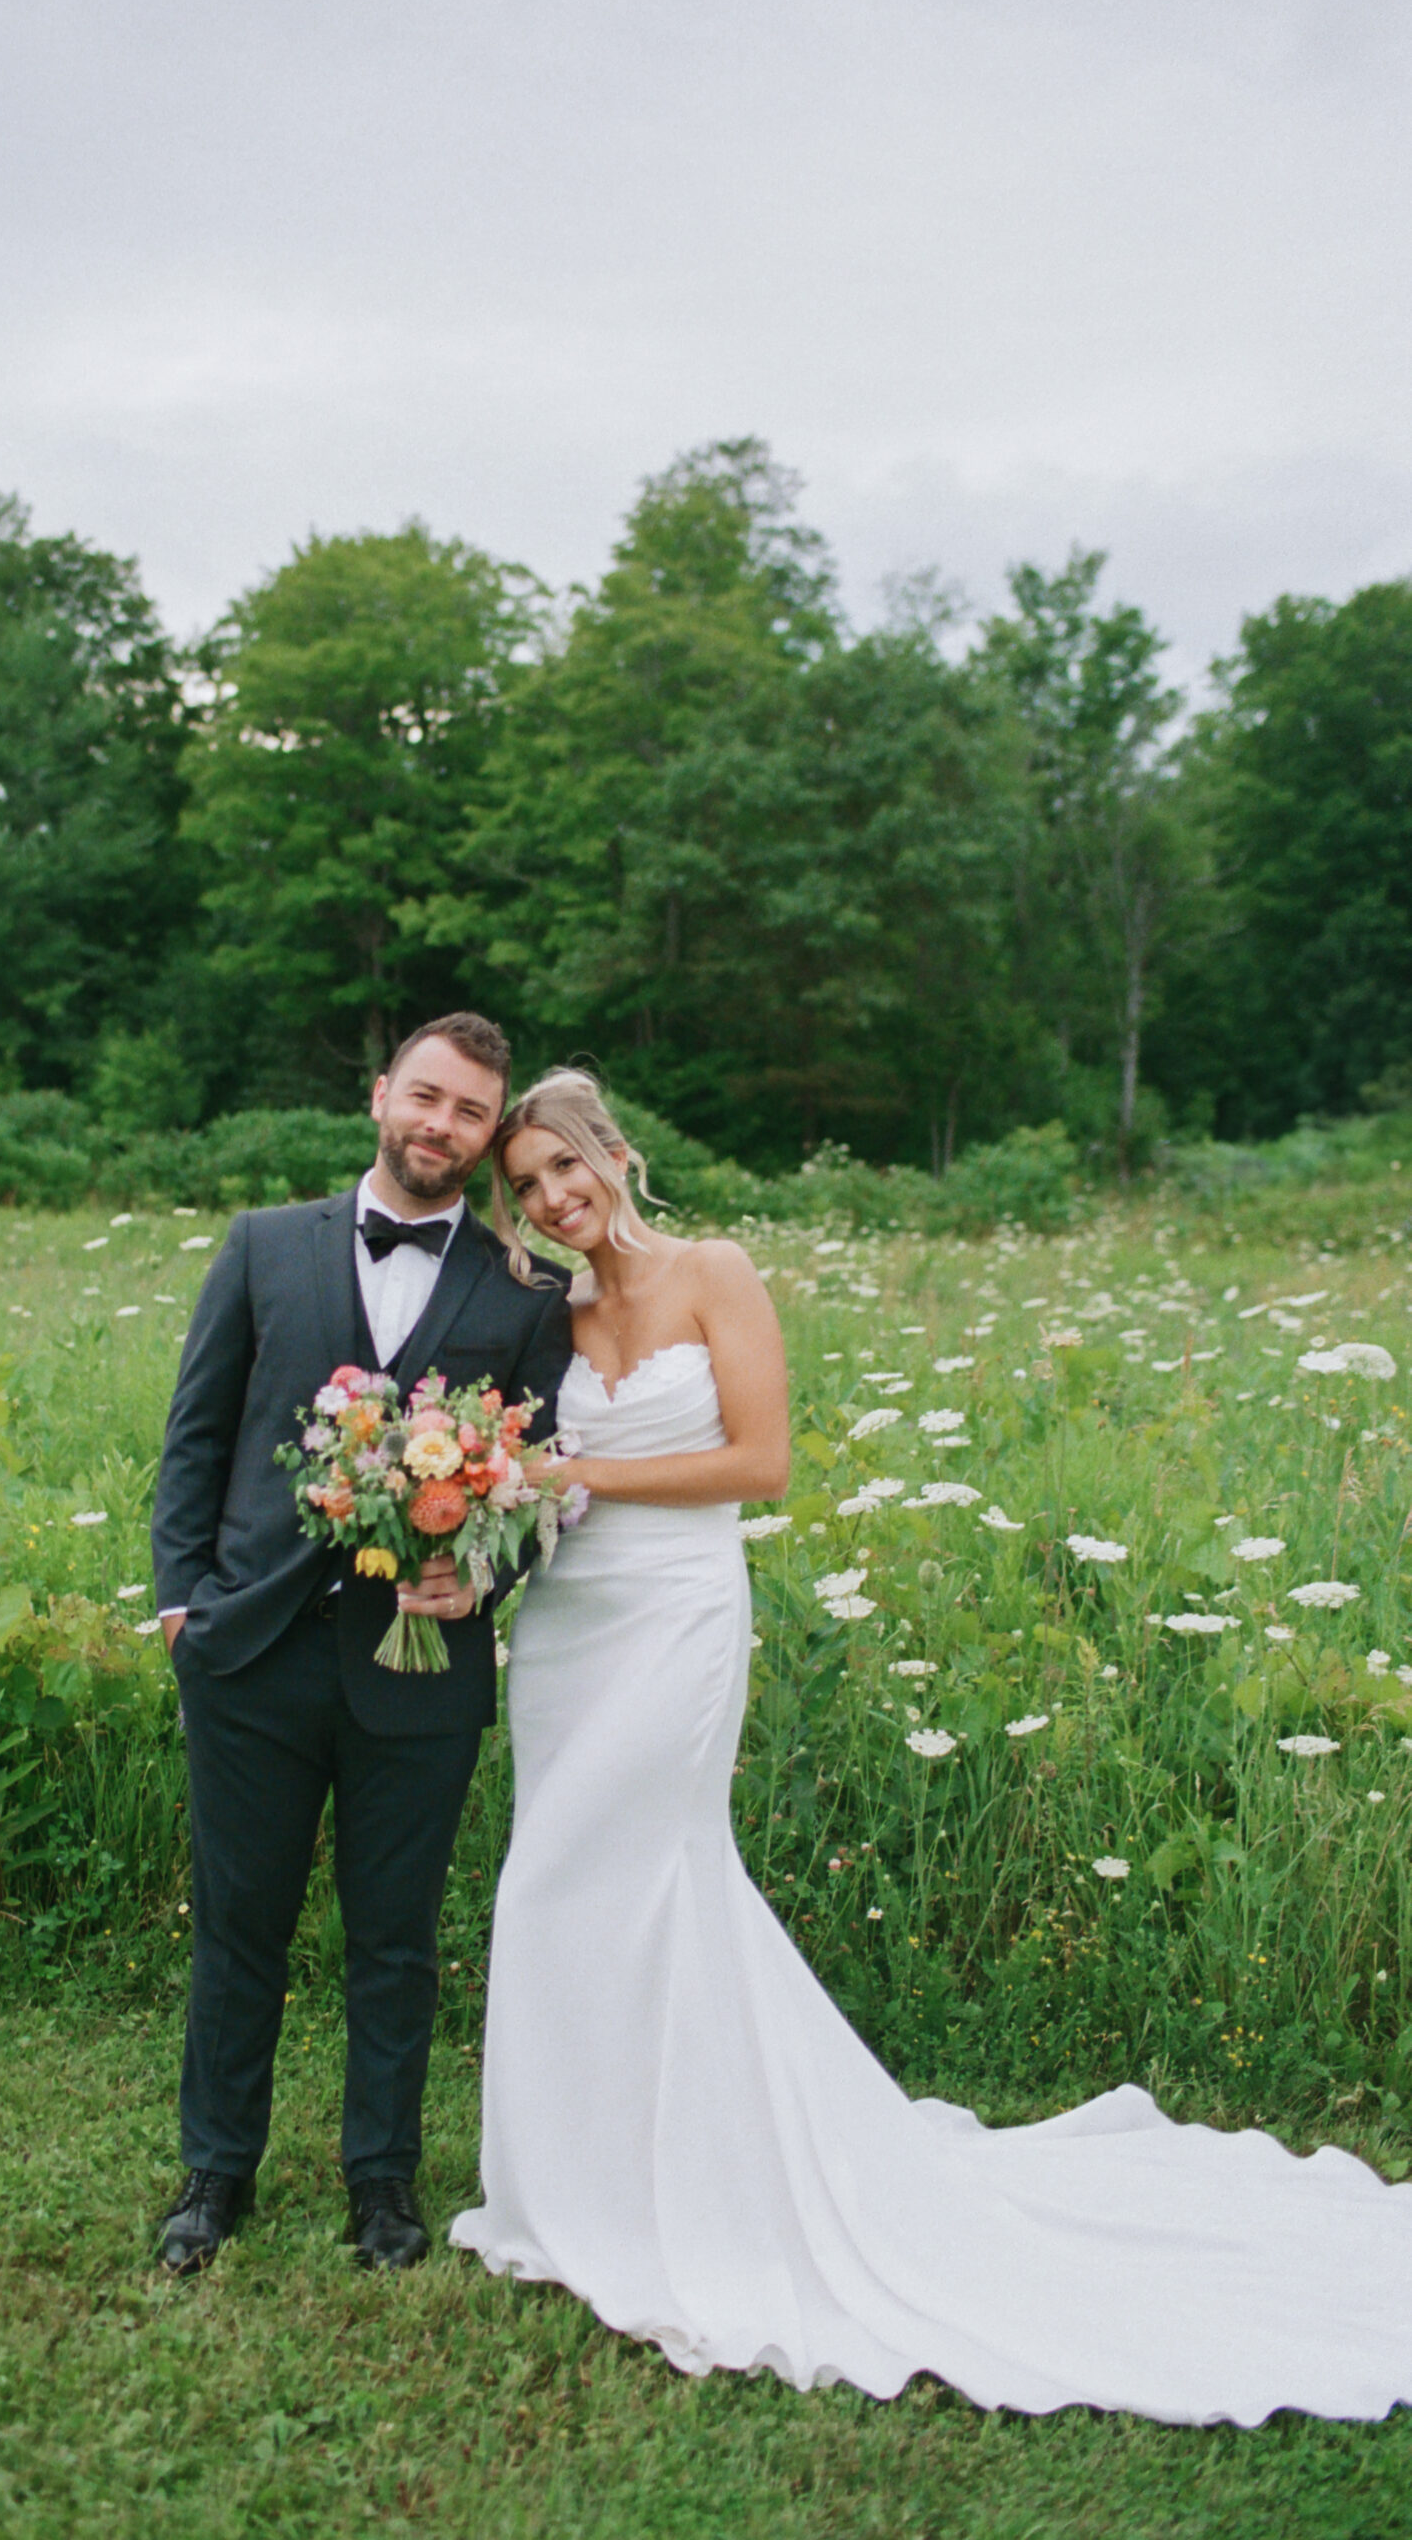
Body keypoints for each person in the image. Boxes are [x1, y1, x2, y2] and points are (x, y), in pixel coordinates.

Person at [450, 1067, 1412, 2424]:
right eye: (528, 1187)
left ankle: (716, 2188)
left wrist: (581, 1475)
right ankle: (582, 2183)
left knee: (634, 1866)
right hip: (566, 1629)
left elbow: (762, 1461)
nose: (555, 1199)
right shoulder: (550, 1312)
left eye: (567, 1168)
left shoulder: (712, 1270)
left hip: (675, 1616)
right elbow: (520, 1466)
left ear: (616, 1153)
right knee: (560, 1881)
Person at [150, 1014, 573, 2278]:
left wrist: (482, 1580)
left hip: (422, 1667)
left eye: (469, 1113)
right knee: (241, 1924)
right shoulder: (262, 1246)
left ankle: (380, 2180)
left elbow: (549, 1487)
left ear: (488, 1135)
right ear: (381, 1094)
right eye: (426, 1097)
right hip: (252, 1653)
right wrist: (183, 1607)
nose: (440, 1126)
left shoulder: (527, 1290)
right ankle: (215, 2173)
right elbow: (195, 1436)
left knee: (394, 1935)